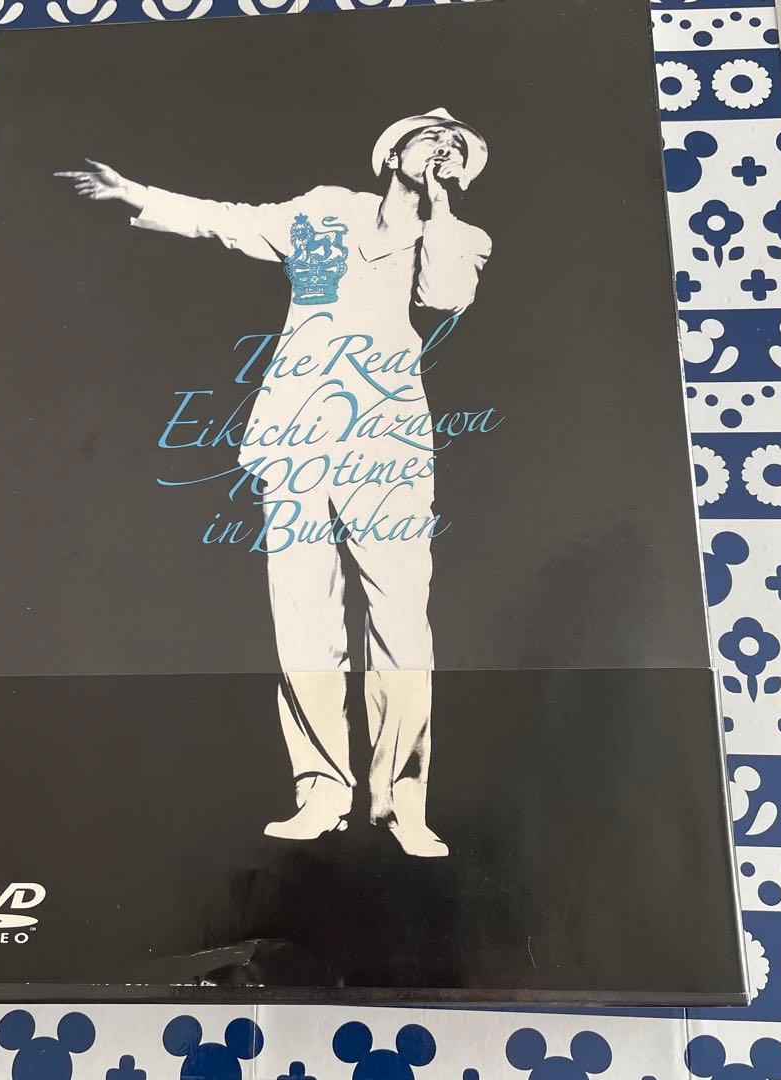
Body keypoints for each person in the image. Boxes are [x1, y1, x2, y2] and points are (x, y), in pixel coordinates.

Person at [56, 108, 492, 858]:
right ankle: (321, 792)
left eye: (454, 148)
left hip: (386, 446)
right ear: (392, 147)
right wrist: (136, 193)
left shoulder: (461, 236)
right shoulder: (325, 209)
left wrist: (440, 206)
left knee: (400, 620)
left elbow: (445, 295)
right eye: (427, 137)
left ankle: (402, 803)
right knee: (303, 618)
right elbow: (231, 221)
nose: (438, 150)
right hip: (292, 436)